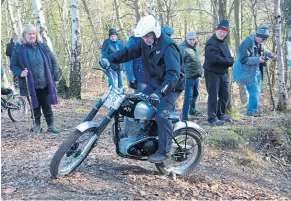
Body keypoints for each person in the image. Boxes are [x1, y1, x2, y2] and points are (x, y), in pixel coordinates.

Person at [99, 15, 185, 163]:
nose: (146, 39)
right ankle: (140, 136)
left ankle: (164, 152)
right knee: (133, 103)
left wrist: (160, 93)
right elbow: (127, 52)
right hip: (153, 83)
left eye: (148, 36)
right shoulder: (144, 43)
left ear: (155, 32)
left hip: (171, 87)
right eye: (144, 36)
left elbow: (173, 75)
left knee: (161, 115)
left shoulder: (169, 46)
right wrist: (110, 59)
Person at [10, 24, 60, 134]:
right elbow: (13, 65)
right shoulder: (18, 48)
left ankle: (51, 125)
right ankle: (37, 125)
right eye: (29, 34)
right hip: (29, 84)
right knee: (35, 106)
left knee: (47, 105)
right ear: (24, 35)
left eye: (34, 33)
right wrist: (20, 72)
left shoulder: (43, 46)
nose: (32, 36)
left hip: (45, 82)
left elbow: (53, 61)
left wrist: (56, 77)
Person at [233, 24, 275, 116]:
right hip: (247, 71)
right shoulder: (247, 43)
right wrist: (258, 60)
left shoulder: (260, 42)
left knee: (257, 90)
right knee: (254, 91)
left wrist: (269, 54)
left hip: (256, 70)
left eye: (264, 39)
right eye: (261, 39)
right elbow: (244, 60)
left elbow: (261, 51)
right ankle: (251, 111)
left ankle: (253, 109)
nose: (262, 41)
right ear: (256, 35)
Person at [203, 19, 234, 126]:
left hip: (223, 73)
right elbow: (215, 59)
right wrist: (229, 61)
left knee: (225, 95)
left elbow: (229, 56)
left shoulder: (224, 42)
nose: (222, 33)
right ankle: (212, 118)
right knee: (213, 95)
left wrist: (229, 60)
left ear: (227, 32)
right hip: (212, 73)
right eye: (220, 31)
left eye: (224, 32)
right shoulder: (211, 43)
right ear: (216, 31)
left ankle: (220, 114)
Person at [180, 31, 203, 120]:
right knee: (188, 96)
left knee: (196, 94)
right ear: (186, 39)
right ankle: (185, 116)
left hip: (196, 75)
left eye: (193, 39)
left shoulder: (195, 46)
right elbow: (180, 63)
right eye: (190, 39)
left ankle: (192, 110)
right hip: (188, 76)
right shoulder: (183, 48)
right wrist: (183, 74)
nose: (192, 41)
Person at [124, 28, 146, 93]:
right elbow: (127, 62)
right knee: (140, 98)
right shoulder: (132, 41)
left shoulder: (148, 39)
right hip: (139, 77)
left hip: (149, 77)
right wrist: (131, 79)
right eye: (132, 33)